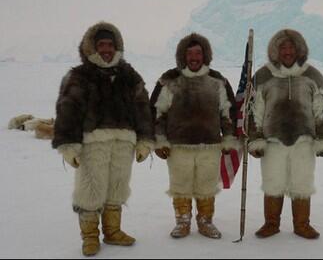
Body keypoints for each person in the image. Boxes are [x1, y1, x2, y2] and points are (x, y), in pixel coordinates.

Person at [52, 22, 154, 256]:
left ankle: (113, 231)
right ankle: (89, 236)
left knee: (118, 186)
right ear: (92, 47)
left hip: (124, 142)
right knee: (91, 189)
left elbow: (142, 107)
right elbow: (67, 109)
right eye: (101, 45)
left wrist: (145, 140)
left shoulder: (129, 75)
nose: (107, 49)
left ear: (117, 46)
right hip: (92, 143)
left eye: (110, 44)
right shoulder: (79, 76)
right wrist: (68, 146)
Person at [248, 29, 323, 239]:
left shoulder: (312, 75)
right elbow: (254, 111)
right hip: (272, 141)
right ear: (275, 51)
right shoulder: (263, 75)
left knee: (302, 182)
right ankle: (271, 223)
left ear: (299, 50)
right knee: (273, 181)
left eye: (291, 47)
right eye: (283, 48)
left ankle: (302, 224)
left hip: (304, 140)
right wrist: (255, 137)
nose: (287, 52)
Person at [150, 33, 238, 239]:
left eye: (198, 53)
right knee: (180, 184)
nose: (194, 57)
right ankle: (183, 221)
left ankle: (205, 221)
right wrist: (159, 139)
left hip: (210, 144)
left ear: (205, 54)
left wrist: (228, 137)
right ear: (182, 56)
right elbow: (156, 112)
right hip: (178, 145)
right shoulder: (169, 80)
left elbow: (228, 112)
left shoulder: (217, 81)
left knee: (207, 184)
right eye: (189, 53)